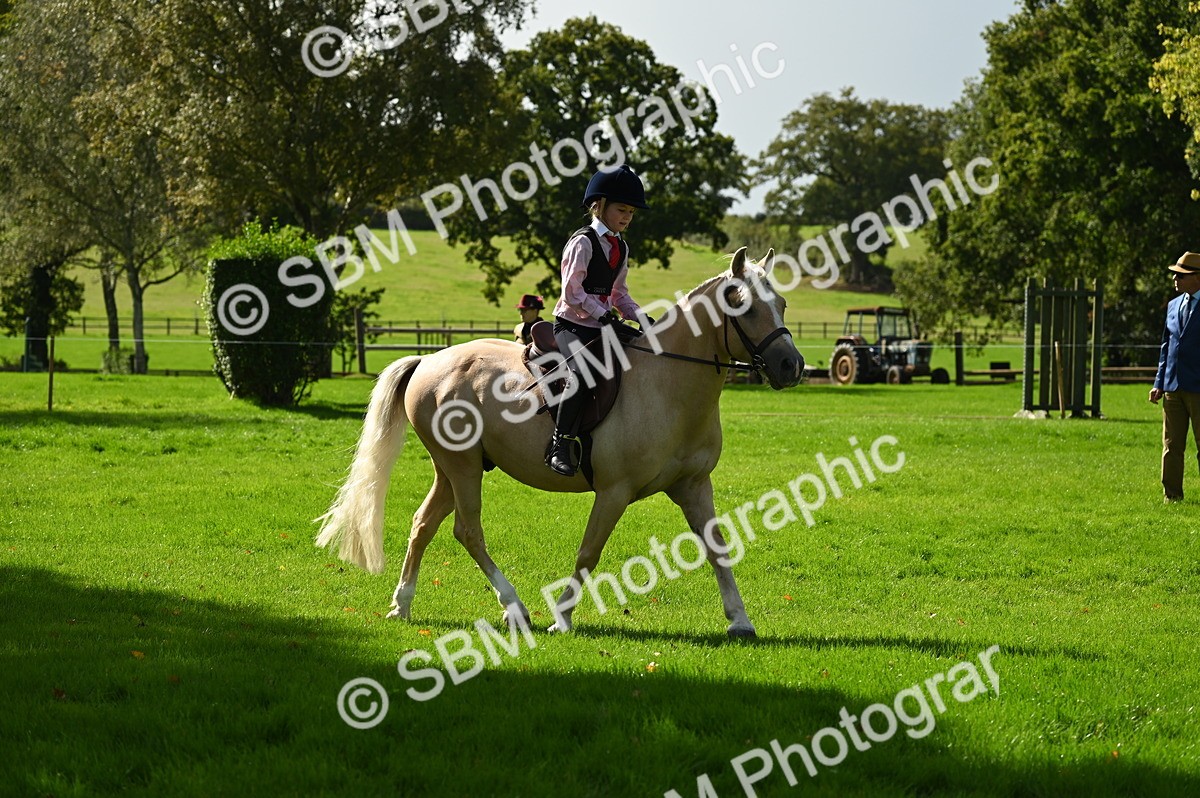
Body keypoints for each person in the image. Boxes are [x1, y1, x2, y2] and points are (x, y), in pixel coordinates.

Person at [546, 164, 650, 477]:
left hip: (602, 324)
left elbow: (620, 295)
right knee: (582, 373)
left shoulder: (621, 247)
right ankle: (559, 443)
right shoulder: (583, 242)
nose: (627, 217)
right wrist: (602, 314)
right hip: (572, 325)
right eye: (622, 209)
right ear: (600, 205)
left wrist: (643, 319)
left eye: (631, 212)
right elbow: (572, 292)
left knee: (642, 358)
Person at [1150, 251, 1200, 503]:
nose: (1175, 279)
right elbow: (1166, 346)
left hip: (1198, 389)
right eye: (1175, 275)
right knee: (1171, 447)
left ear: (1197, 278)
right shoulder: (1172, 305)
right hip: (1172, 388)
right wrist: (1159, 383)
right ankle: (1172, 496)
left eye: (1181, 275)